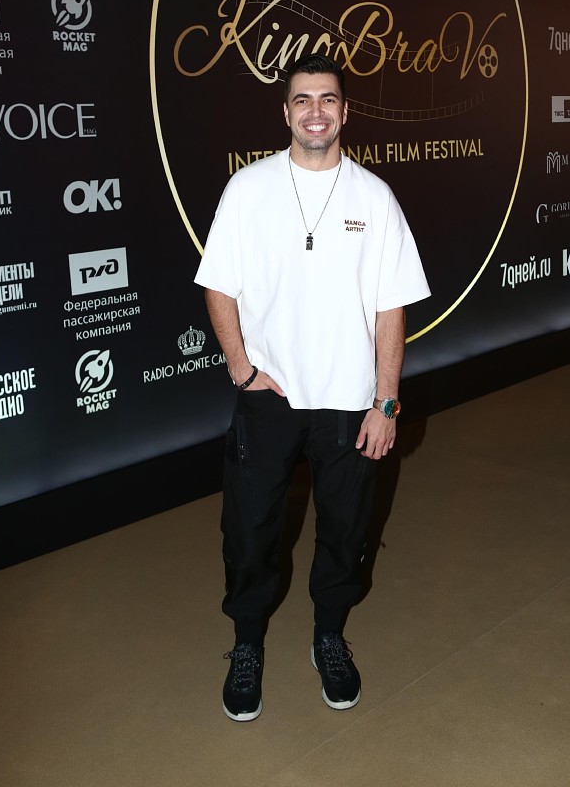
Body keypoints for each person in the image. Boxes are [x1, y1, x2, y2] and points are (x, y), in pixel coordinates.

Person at [194, 52, 430, 722]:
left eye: (327, 99)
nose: (316, 111)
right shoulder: (249, 189)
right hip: (268, 398)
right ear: (286, 112)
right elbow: (218, 284)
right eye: (303, 100)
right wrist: (242, 368)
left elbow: (390, 308)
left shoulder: (374, 197)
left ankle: (328, 634)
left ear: (345, 111)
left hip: (351, 403)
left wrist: (386, 403)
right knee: (249, 530)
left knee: (345, 531)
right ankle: (247, 643)